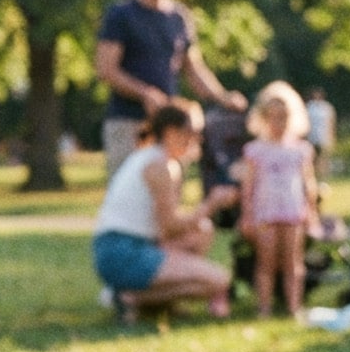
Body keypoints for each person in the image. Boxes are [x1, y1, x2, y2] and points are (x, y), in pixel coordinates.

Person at [94, 0, 248, 178]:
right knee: (130, 190)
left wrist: (222, 97)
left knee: (168, 198)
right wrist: (145, 93)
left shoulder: (180, 17)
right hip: (128, 122)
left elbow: (194, 68)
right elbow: (106, 69)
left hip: (170, 127)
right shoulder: (121, 14)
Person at [92, 99, 242, 324]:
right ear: (171, 132)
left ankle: (153, 300)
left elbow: (170, 229)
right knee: (219, 281)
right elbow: (170, 225)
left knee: (202, 230)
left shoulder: (155, 158)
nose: (198, 139)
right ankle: (129, 296)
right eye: (193, 132)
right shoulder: (160, 166)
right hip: (122, 252)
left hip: (128, 247)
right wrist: (211, 204)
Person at [239, 82, 318, 319]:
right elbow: (248, 186)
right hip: (265, 211)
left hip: (293, 211)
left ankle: (294, 307)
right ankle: (264, 307)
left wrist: (312, 212)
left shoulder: (301, 150)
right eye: (272, 117)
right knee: (266, 262)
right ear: (263, 119)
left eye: (283, 117)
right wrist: (247, 214)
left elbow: (309, 185)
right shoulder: (256, 150)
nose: (278, 123)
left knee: (293, 262)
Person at [305, 87, 337, 180]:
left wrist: (332, 137)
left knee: (323, 159)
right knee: (311, 160)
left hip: (323, 137)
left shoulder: (327, 108)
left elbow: (331, 123)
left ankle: (323, 179)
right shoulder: (309, 107)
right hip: (312, 138)